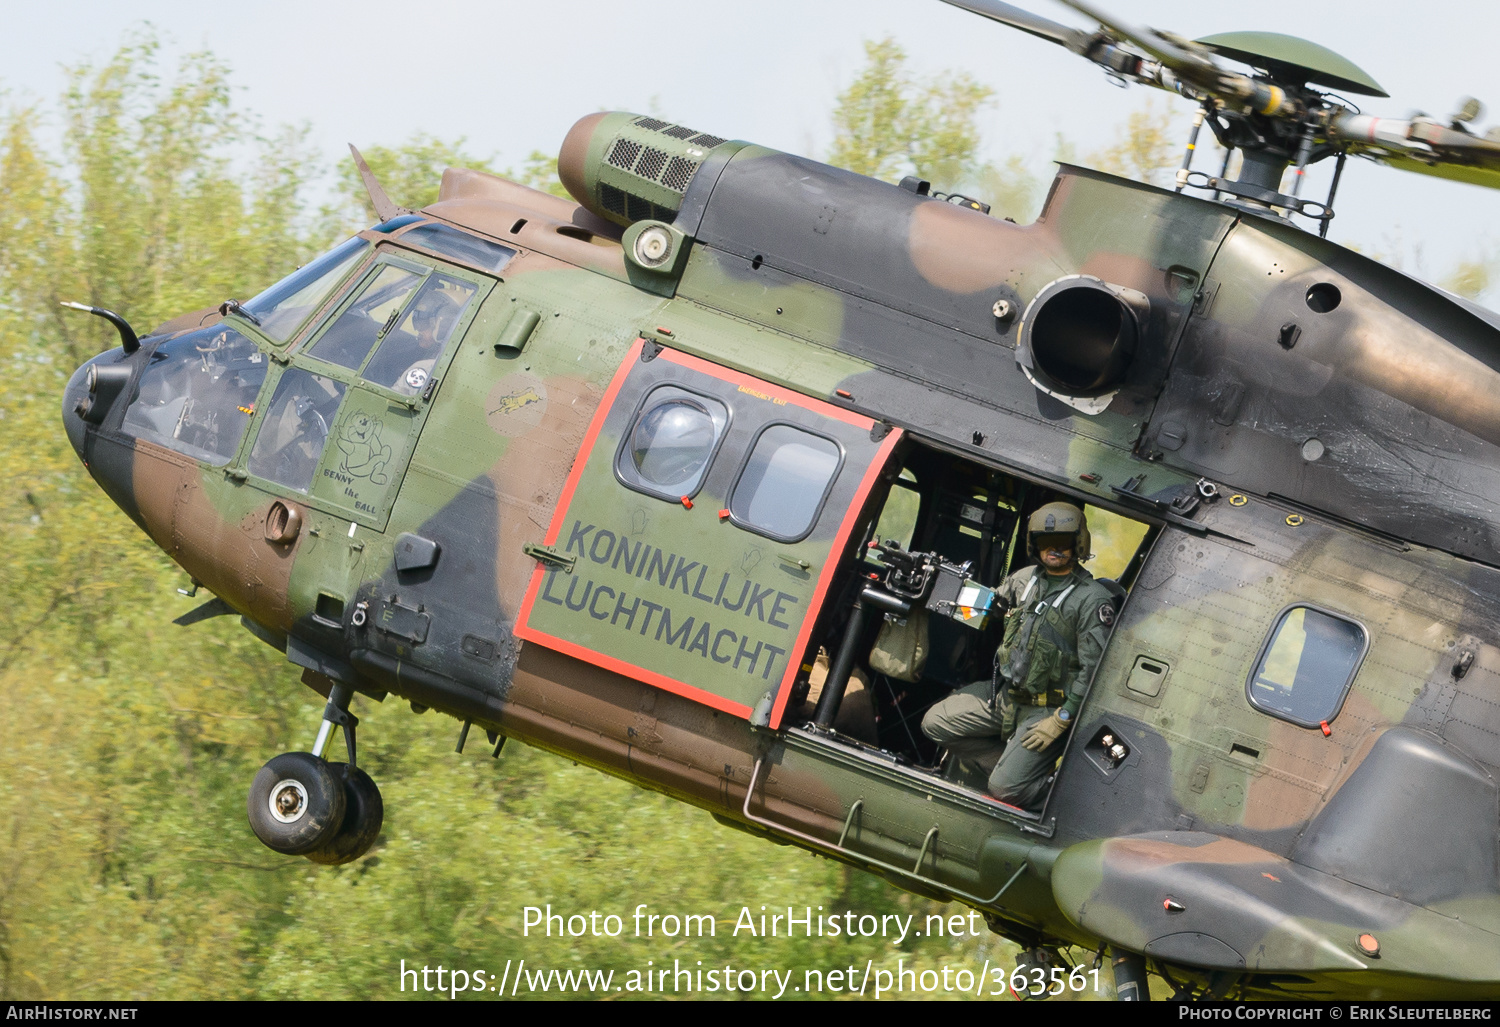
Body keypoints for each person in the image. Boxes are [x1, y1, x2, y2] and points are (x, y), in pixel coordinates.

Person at [920, 502, 1117, 810]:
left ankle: (1058, 797)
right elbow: (988, 606)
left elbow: (1092, 671)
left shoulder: (1092, 600)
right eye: (1044, 541)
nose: (1053, 549)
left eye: (1063, 542)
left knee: (1005, 790)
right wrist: (937, 585)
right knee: (936, 723)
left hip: (1049, 709)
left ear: (1078, 544)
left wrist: (1062, 719)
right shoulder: (1026, 580)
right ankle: (1014, 770)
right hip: (1007, 697)